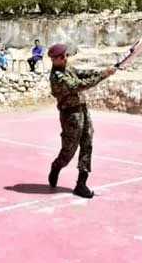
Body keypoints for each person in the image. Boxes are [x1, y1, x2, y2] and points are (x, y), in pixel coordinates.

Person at [46, 43, 117, 198]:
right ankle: (57, 166)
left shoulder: (67, 68)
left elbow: (82, 73)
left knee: (87, 143)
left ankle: (81, 183)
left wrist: (103, 71)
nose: (66, 58)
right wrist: (104, 75)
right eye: (62, 56)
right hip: (70, 115)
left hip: (82, 110)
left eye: (66, 55)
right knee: (69, 150)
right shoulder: (58, 77)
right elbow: (79, 85)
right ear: (54, 59)